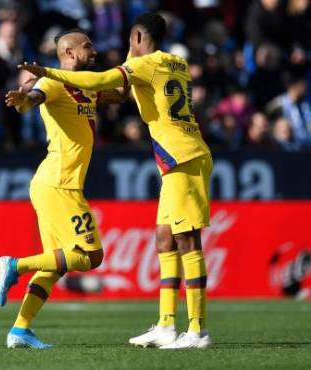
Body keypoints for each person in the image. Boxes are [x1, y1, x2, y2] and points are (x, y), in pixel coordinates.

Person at [19, 12, 213, 349]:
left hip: (183, 157)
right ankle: (167, 325)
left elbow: (100, 82)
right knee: (164, 240)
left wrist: (45, 71)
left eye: (128, 42)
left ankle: (197, 331)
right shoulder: (176, 61)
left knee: (187, 240)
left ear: (137, 39)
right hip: (181, 155)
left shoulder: (145, 64)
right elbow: (122, 89)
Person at [0, 28, 127, 349]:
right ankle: (14, 265)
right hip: (59, 183)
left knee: (56, 263)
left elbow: (120, 94)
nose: (93, 50)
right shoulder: (52, 82)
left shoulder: (88, 85)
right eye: (87, 46)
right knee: (90, 256)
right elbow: (35, 98)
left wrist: (133, 66)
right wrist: (25, 99)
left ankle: (20, 330)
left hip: (56, 183)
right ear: (69, 54)